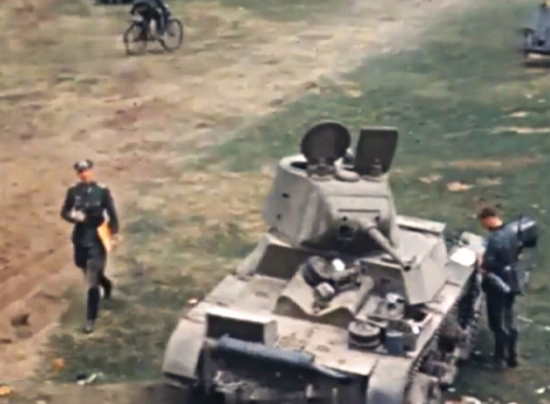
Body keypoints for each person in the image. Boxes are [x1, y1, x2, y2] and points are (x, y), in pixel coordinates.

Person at [60, 160, 119, 333]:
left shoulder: (102, 191)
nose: (84, 174)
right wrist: (73, 217)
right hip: (80, 239)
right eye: (81, 172)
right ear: (77, 174)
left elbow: (112, 214)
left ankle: (90, 319)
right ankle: (106, 283)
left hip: (97, 239)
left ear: (91, 171)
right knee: (83, 267)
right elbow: (64, 212)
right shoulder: (73, 192)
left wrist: (114, 234)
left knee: (91, 281)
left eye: (86, 171)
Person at [478, 206, 522, 369]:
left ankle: (499, 359)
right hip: (512, 281)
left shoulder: (494, 239)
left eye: (483, 223)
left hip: (497, 284)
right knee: (509, 319)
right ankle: (512, 357)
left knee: (497, 324)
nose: (484, 226)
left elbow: (488, 263)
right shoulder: (511, 231)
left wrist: (481, 262)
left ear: (488, 219)